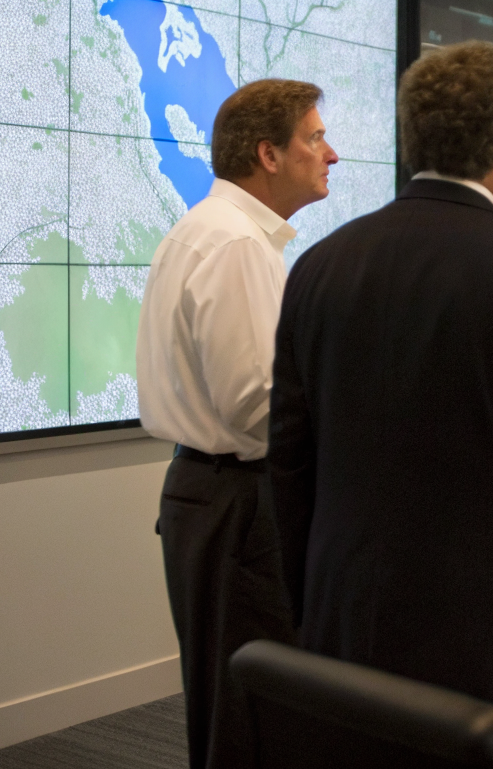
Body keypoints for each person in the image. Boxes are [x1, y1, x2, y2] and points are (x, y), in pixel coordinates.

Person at [269, 41, 493, 769]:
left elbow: (289, 473)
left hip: (350, 641)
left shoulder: (318, 267)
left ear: (413, 140)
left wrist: (314, 619)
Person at [136, 79, 338, 769]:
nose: (331, 153)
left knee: (230, 706)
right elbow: (259, 411)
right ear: (268, 154)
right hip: (243, 502)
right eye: (314, 137)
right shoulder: (237, 246)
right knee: (255, 715)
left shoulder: (208, 231)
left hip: (212, 495)